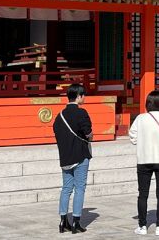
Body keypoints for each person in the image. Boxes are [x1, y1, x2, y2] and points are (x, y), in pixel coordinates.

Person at [130, 90, 159, 236]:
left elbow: (133, 137)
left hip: (144, 158)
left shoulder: (140, 118)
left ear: (147, 103)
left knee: (142, 194)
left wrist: (143, 142)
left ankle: (142, 225)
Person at [54, 83, 93, 234]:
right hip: (80, 155)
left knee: (66, 189)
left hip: (65, 157)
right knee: (80, 188)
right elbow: (88, 132)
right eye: (83, 95)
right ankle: (76, 221)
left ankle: (63, 220)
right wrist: (90, 137)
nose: (84, 98)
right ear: (78, 96)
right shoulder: (81, 113)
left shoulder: (59, 116)